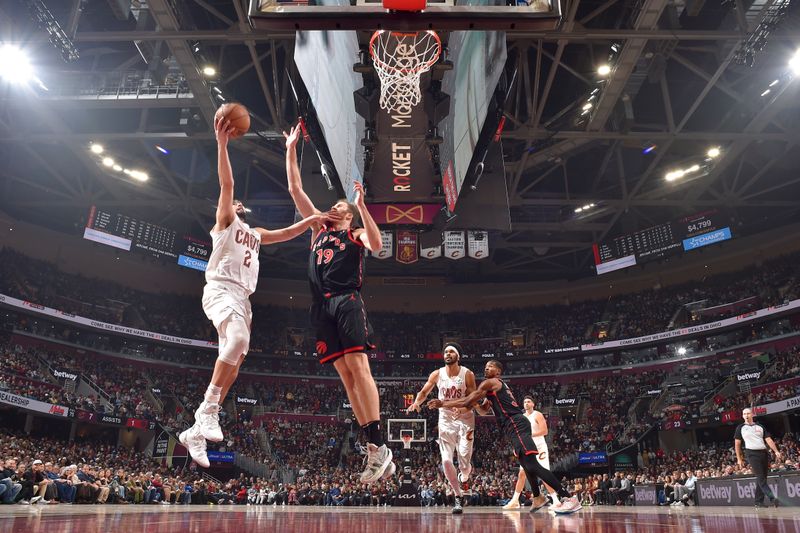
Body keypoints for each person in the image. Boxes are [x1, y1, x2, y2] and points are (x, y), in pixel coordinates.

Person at [180, 115, 329, 467]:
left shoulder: (256, 232)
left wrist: (313, 221)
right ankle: (208, 410)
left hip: (243, 299)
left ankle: (195, 433)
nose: (236, 203)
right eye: (232, 203)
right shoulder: (225, 223)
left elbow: (289, 234)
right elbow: (227, 184)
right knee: (239, 343)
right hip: (221, 289)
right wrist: (222, 144)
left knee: (236, 359)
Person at [284, 122, 394, 483]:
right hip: (321, 307)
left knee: (359, 369)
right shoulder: (317, 230)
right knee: (345, 378)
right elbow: (295, 189)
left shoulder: (353, 231)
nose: (329, 208)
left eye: (336, 206)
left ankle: (380, 445)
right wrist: (290, 148)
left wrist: (362, 208)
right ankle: (374, 447)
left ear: (346, 215)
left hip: (347, 301)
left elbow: (378, 246)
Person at [427, 360, 582, 515]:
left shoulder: (491, 382)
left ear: (498, 372)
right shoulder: (493, 389)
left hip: (515, 422)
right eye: (485, 366)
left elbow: (468, 399)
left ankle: (568, 498)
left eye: (491, 366)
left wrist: (443, 403)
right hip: (512, 426)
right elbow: (481, 410)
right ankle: (537, 497)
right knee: (526, 465)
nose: (486, 368)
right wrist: (473, 404)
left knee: (532, 464)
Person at [406, 342, 476, 514]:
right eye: (445, 351)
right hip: (445, 420)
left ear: (458, 356)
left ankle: (464, 477)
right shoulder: (437, 374)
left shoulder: (467, 374)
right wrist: (416, 403)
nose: (447, 353)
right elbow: (423, 392)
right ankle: (457, 496)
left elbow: (473, 401)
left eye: (451, 351)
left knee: (464, 463)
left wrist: (460, 410)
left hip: (465, 419)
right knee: (445, 460)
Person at [503, 395, 559, 509]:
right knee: (522, 474)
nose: (526, 404)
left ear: (533, 404)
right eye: (524, 402)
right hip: (526, 447)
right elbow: (518, 435)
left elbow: (544, 431)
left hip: (539, 447)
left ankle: (556, 501)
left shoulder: (537, 414)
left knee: (544, 474)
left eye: (529, 402)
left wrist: (527, 436)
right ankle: (514, 501)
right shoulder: (522, 417)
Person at [734, 407, 783, 508]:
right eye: (744, 414)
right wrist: (739, 459)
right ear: (742, 416)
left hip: (764, 453)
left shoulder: (760, 426)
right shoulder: (740, 427)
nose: (746, 416)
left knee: (762, 478)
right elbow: (737, 444)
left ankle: (758, 502)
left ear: (752, 414)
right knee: (761, 478)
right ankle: (772, 498)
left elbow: (768, 440)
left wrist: (776, 451)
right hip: (751, 454)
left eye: (748, 413)